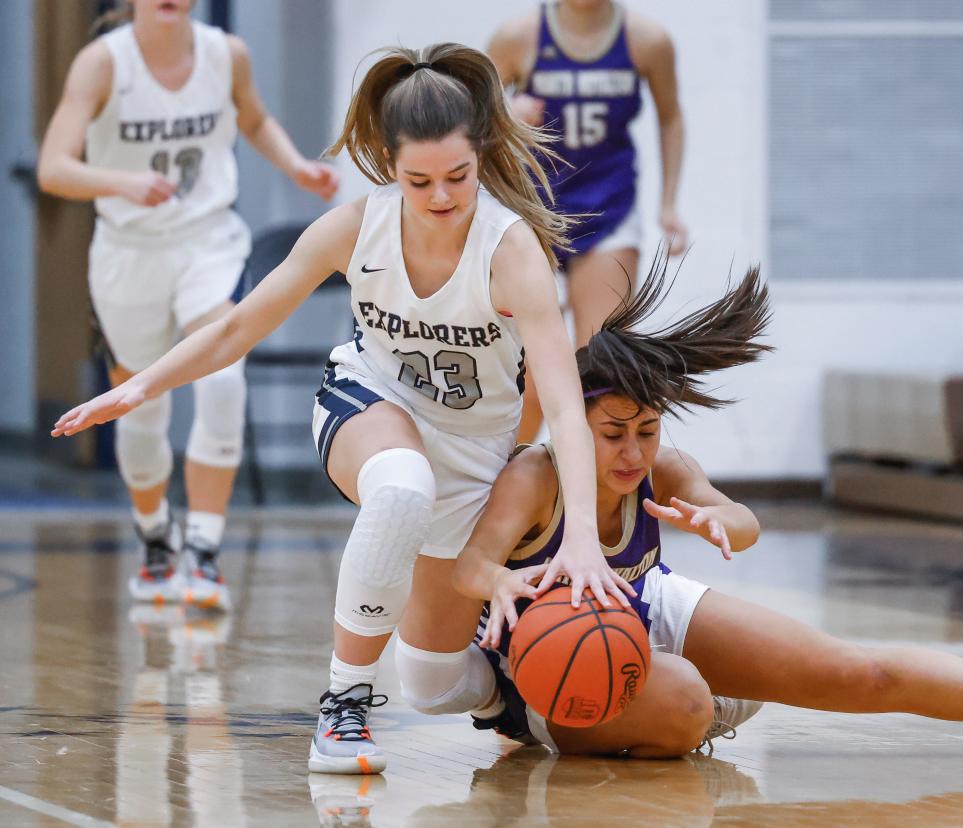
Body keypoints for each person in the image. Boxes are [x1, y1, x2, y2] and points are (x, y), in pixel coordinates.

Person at [52, 42, 635, 775]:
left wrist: (581, 535)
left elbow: (559, 401)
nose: (441, 197)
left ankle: (503, 689)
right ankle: (343, 705)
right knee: (399, 489)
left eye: (457, 176)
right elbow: (235, 327)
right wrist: (142, 385)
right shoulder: (355, 229)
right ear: (387, 164)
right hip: (370, 401)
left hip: (473, 446)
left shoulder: (510, 250)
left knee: (429, 679)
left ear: (481, 156)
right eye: (418, 180)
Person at [451, 260, 963, 761]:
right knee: (684, 705)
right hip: (544, 668)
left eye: (646, 430)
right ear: (572, 423)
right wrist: (503, 584)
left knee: (854, 673)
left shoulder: (659, 467)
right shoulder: (535, 478)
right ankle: (704, 702)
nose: (633, 451)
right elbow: (469, 568)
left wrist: (719, 521)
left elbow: (740, 521)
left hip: (645, 607)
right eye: (613, 434)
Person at [37, 0, 339, 612]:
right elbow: (53, 168)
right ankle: (156, 541)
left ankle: (203, 551)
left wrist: (296, 167)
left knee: (223, 380)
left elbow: (253, 121)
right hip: (128, 249)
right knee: (139, 405)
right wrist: (120, 182)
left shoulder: (226, 54)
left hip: (208, 240)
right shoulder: (102, 63)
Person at [488, 0, 687, 442]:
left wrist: (669, 202)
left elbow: (671, 117)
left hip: (609, 208)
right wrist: (506, 116)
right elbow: (468, 122)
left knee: (600, 367)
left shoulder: (647, 40)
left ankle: (592, 501)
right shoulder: (517, 36)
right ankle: (509, 493)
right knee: (535, 380)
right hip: (533, 215)